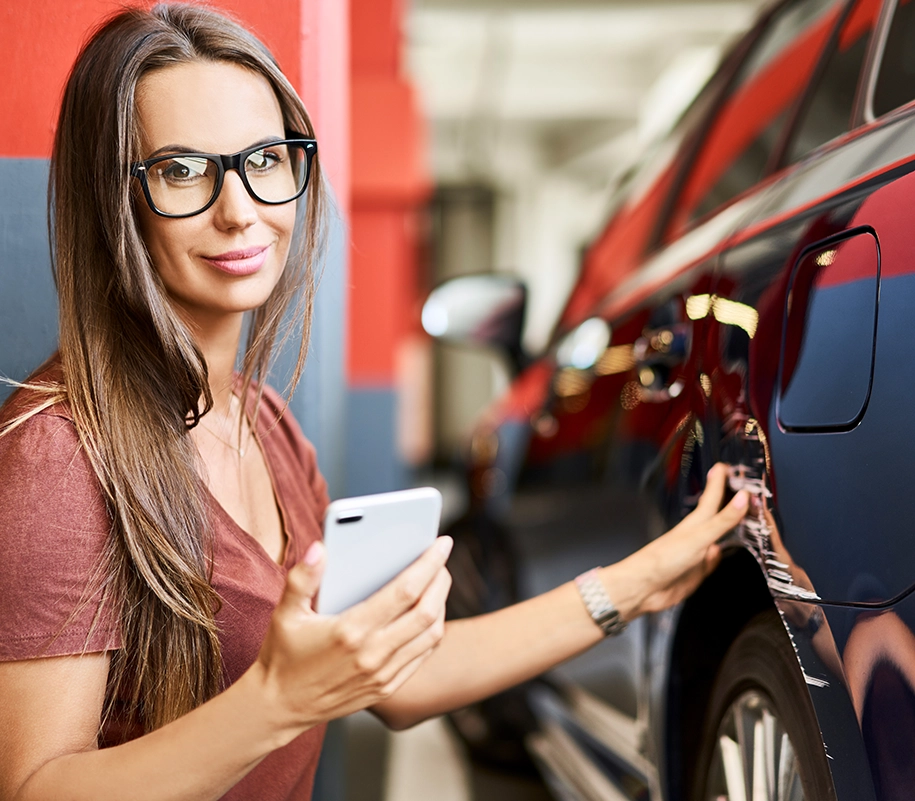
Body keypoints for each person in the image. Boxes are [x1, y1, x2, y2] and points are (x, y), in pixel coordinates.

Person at [0, 5, 749, 800]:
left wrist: (631, 584)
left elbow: (399, 679)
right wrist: (277, 700)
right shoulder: (61, 458)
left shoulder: (265, 426)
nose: (240, 208)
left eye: (265, 159)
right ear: (116, 202)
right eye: (182, 170)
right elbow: (34, 786)